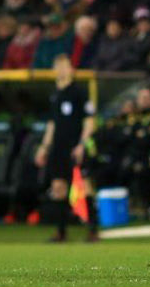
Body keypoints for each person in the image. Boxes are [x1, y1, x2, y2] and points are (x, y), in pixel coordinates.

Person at [34, 54, 99, 243]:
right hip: (58, 148)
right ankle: (61, 232)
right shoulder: (55, 95)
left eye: (64, 65)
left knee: (84, 186)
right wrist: (44, 147)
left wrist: (81, 145)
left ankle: (93, 230)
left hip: (75, 147)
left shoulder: (79, 93)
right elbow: (52, 124)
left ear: (72, 69)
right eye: (58, 66)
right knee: (58, 187)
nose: (61, 69)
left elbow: (89, 122)